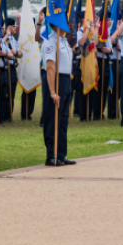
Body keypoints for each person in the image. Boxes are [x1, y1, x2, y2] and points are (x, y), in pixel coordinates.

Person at [41, 21, 75, 166]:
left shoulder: (63, 41)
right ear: (56, 25)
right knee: (53, 117)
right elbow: (50, 67)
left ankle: (61, 154)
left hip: (66, 80)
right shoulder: (50, 41)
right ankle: (51, 155)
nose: (68, 26)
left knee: (63, 119)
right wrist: (53, 91)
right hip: (56, 80)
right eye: (64, 23)